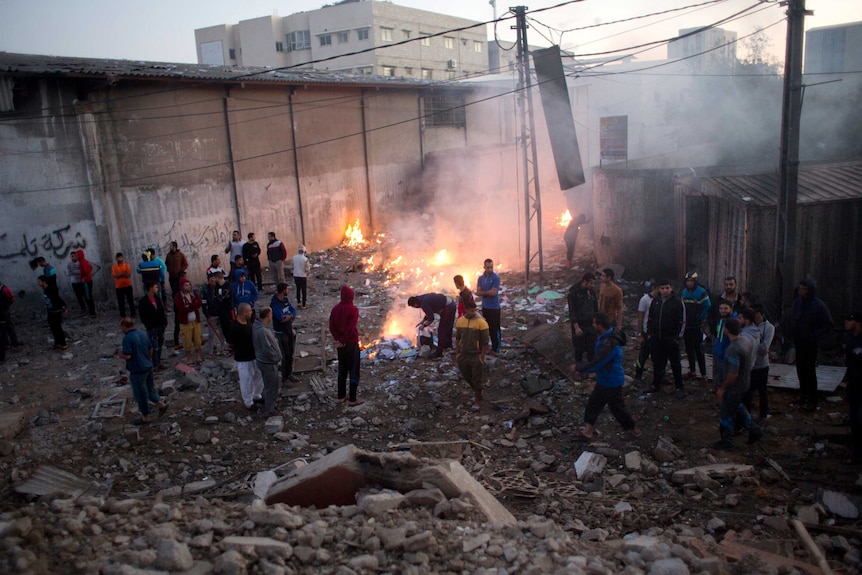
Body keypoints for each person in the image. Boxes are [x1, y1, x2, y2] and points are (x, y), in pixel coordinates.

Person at [571, 312, 641, 441]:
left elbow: (598, 363)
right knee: (594, 404)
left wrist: (578, 368)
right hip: (604, 379)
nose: (592, 325)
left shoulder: (609, 344)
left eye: (594, 323)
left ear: (599, 325)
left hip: (611, 381)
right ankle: (588, 430)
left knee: (618, 408)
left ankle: (634, 430)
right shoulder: (607, 335)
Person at [712, 318, 763, 450]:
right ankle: (754, 429)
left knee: (726, 412)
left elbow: (733, 373)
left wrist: (723, 388)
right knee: (738, 407)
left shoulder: (733, 349)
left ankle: (727, 440)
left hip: (734, 386)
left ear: (726, 330)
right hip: (744, 383)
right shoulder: (745, 341)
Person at [790, 278, 834, 411]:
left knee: (809, 370)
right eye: (800, 288)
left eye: (804, 289)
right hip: (799, 341)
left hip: (811, 343)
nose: (801, 291)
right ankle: (803, 396)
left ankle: (813, 400)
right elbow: (794, 319)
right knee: (800, 369)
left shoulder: (818, 305)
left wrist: (815, 334)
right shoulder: (798, 303)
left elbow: (828, 324)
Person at [118, 317, 166, 425]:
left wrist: (120, 354)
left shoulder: (128, 338)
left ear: (125, 327)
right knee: (149, 390)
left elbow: (128, 355)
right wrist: (148, 359)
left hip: (137, 369)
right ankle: (161, 404)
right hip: (147, 366)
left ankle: (146, 417)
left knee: (140, 393)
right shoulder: (143, 334)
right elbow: (151, 349)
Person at [647, 279, 687, 398]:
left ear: (671, 288)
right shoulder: (656, 301)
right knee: (658, 362)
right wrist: (649, 333)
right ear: (659, 289)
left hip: (671, 338)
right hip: (657, 338)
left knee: (675, 364)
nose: (665, 291)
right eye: (662, 288)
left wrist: (677, 338)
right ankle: (656, 384)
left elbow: (682, 321)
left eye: (667, 288)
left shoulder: (677, 302)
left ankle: (679, 387)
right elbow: (650, 318)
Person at [329, 285, 363, 406]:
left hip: (340, 346)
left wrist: (338, 339)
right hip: (350, 344)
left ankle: (341, 396)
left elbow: (331, 326)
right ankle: (352, 399)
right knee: (354, 371)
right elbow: (351, 328)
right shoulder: (353, 309)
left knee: (342, 370)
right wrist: (343, 340)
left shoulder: (335, 309)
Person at [455, 299, 489, 412]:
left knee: (477, 378)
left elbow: (485, 342)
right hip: (463, 355)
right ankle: (478, 392)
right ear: (466, 310)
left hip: (475, 355)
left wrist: (482, 356)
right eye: (471, 310)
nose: (474, 312)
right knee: (466, 376)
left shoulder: (481, 323)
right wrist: (458, 353)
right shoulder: (460, 321)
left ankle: (477, 400)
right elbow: (457, 338)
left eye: (475, 310)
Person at [743, 304, 775, 422]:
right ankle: (746, 414)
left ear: (761, 315)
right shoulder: (748, 326)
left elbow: (764, 348)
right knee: (747, 390)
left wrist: (752, 345)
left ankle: (763, 414)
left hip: (761, 364)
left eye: (756, 317)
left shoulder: (768, 328)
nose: (755, 320)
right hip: (749, 364)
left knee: (762, 390)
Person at [230, 302, 264, 411]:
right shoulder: (235, 326)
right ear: (244, 312)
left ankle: (256, 395)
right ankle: (248, 402)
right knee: (246, 379)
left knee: (258, 376)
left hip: (254, 355)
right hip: (243, 358)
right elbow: (230, 342)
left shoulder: (249, 322)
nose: (251, 313)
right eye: (249, 311)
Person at [680, 272, 711, 382]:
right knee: (688, 349)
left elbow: (708, 306)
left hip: (697, 325)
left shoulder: (701, 292)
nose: (689, 283)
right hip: (687, 325)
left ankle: (703, 374)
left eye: (692, 281)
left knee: (699, 350)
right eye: (688, 281)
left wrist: (701, 317)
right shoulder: (683, 292)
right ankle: (692, 371)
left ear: (696, 281)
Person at [253, 306, 283, 416]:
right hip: (268, 362)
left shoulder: (256, 327)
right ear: (267, 316)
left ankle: (268, 402)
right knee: (272, 385)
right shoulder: (263, 331)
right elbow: (267, 349)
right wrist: (277, 357)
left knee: (267, 383)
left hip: (262, 360)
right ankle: (270, 409)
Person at [408, 293, 457, 358]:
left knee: (442, 330)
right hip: (450, 304)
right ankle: (447, 345)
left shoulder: (423, 303)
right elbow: (429, 312)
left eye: (413, 306)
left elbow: (431, 318)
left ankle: (439, 352)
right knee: (447, 327)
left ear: (415, 304)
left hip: (448, 308)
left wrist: (424, 325)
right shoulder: (421, 299)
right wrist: (423, 321)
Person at [842, 311, 862, 464]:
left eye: (849, 320)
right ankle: (856, 449)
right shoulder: (851, 338)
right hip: (853, 383)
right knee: (854, 418)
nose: (846, 323)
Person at [271, 282, 300, 384]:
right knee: (285, 355)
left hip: (288, 329)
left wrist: (290, 316)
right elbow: (281, 317)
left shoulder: (285, 300)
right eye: (287, 289)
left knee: (291, 353)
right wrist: (289, 316)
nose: (288, 291)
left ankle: (290, 374)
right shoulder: (275, 303)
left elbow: (293, 311)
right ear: (283, 290)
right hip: (281, 332)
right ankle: (284, 378)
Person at [567, 272, 598, 362]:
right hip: (580, 324)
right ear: (585, 282)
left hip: (591, 324)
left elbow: (596, 308)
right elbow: (572, 311)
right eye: (591, 283)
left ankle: (591, 369)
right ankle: (578, 369)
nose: (592, 285)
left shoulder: (591, 293)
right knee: (579, 348)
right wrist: (576, 327)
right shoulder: (574, 293)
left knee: (591, 347)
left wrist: (596, 323)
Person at [633, 283, 659, 385]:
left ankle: (658, 377)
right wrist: (640, 334)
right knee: (643, 355)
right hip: (646, 332)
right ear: (656, 288)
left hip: (656, 332)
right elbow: (640, 317)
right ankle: (638, 376)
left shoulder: (660, 300)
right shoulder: (645, 300)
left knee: (657, 356)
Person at [202, 270, 234, 353]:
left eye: (214, 280)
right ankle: (211, 351)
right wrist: (207, 315)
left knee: (226, 330)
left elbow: (224, 298)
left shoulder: (227, 285)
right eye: (211, 281)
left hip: (226, 313)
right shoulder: (207, 290)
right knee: (213, 333)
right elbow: (207, 303)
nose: (213, 282)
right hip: (215, 314)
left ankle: (227, 347)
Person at [138, 281, 168, 370]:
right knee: (154, 347)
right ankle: (154, 364)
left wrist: (164, 323)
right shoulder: (143, 301)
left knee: (159, 345)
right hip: (152, 327)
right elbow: (142, 315)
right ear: (150, 288)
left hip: (160, 326)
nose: (157, 289)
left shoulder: (157, 298)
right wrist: (149, 325)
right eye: (155, 287)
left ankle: (158, 363)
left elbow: (161, 311)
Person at [174, 277, 203, 365]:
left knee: (198, 340)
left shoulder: (194, 293)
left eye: (189, 285)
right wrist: (193, 306)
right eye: (186, 285)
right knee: (187, 341)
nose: (188, 287)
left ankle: (198, 357)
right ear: (182, 286)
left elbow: (200, 302)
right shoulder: (178, 296)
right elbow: (182, 309)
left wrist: (189, 306)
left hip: (196, 321)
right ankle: (189, 358)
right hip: (185, 323)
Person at [476, 258, 502, 354]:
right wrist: (487, 292)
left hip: (494, 308)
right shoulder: (480, 278)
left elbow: (493, 293)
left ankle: (496, 349)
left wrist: (484, 293)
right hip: (485, 307)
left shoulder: (495, 278)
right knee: (486, 328)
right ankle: (487, 347)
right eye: (488, 267)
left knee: (495, 329)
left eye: (491, 267)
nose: (490, 269)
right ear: (484, 267)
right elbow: (478, 292)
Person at [711, 300, 737, 390]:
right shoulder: (721, 320)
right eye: (721, 308)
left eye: (725, 308)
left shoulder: (733, 321)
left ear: (731, 309)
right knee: (718, 371)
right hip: (719, 351)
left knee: (727, 374)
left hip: (727, 352)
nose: (723, 311)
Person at [38, 275, 66, 350]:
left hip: (55, 311)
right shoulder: (46, 289)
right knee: (54, 328)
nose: (38, 283)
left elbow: (57, 298)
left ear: (44, 282)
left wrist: (63, 306)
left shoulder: (50, 290)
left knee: (58, 328)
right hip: (51, 311)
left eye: (39, 281)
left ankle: (63, 344)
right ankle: (58, 343)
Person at [0, 279, 20, 362]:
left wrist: (6, 307)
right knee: (2, 329)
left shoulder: (4, 289)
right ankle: (6, 344)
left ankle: (15, 344)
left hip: (4, 311)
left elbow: (11, 298)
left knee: (9, 328)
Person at [165, 241, 188, 310]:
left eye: (171, 246)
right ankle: (176, 305)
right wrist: (169, 270)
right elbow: (166, 264)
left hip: (179, 276)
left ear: (174, 247)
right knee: (174, 292)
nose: (170, 247)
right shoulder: (168, 255)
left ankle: (184, 304)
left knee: (181, 291)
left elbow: (185, 264)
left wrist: (181, 270)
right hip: (172, 277)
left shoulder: (180, 254)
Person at [112, 252, 136, 318]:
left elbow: (128, 274)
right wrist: (123, 274)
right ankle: (123, 315)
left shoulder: (126, 265)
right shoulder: (114, 267)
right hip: (119, 287)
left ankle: (133, 313)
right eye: (118, 257)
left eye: (121, 257)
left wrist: (119, 274)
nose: (120, 259)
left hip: (127, 285)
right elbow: (114, 275)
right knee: (121, 302)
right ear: (116, 258)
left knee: (130, 301)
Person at [75, 249, 97, 318]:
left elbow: (86, 270)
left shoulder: (82, 262)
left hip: (86, 282)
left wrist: (85, 277)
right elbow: (90, 267)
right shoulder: (84, 261)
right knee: (88, 296)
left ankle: (92, 313)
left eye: (77, 255)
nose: (76, 257)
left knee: (88, 297)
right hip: (88, 281)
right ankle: (92, 312)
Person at [66, 250, 87, 316]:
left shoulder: (80, 263)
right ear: (71, 257)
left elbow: (82, 271)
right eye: (72, 256)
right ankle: (82, 308)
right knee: (78, 296)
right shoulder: (69, 264)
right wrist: (75, 272)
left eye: (75, 256)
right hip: (74, 282)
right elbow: (68, 273)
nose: (74, 257)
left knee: (85, 295)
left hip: (81, 281)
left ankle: (88, 307)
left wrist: (74, 271)